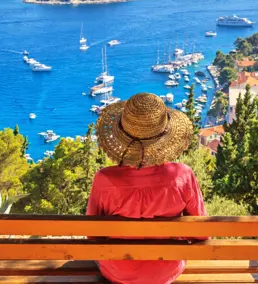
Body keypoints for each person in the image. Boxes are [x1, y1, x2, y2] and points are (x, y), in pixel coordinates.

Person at [87, 93, 208, 284]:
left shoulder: (104, 179)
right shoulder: (182, 175)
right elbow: (201, 232)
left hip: (117, 271)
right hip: (167, 269)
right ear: (166, 135)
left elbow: (92, 234)